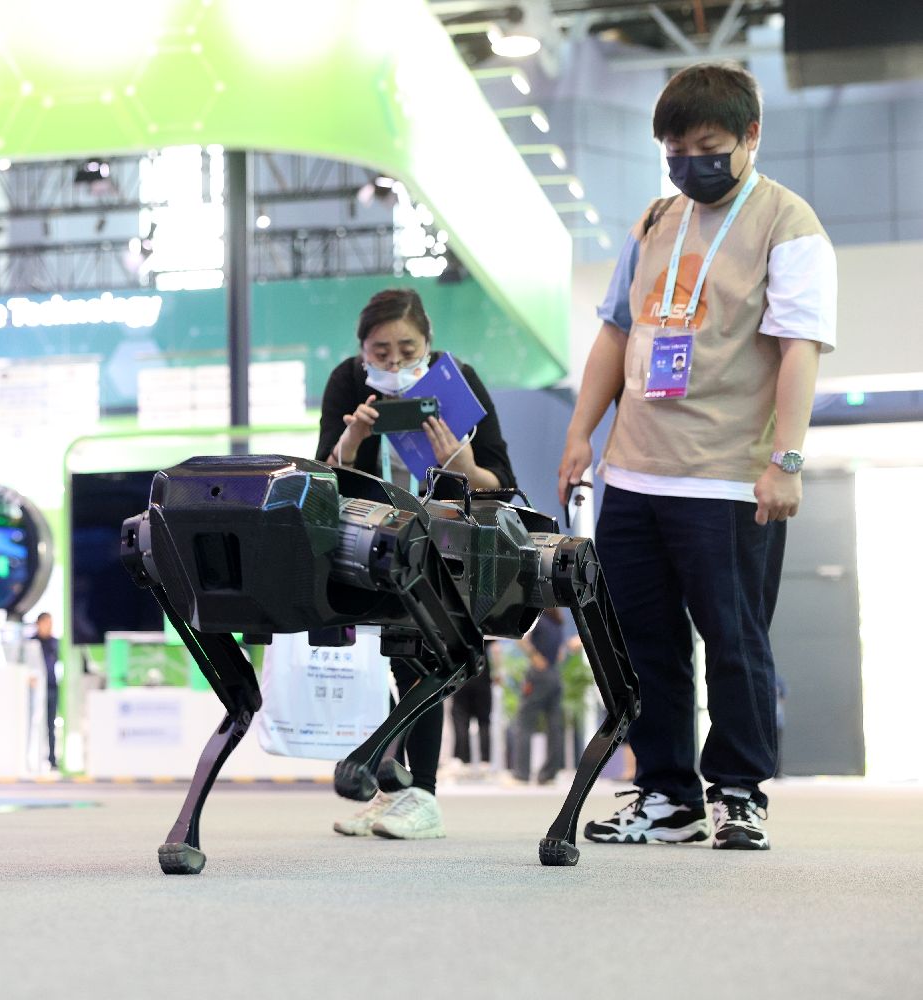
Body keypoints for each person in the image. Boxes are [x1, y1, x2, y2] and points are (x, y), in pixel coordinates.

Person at [558, 64, 835, 851]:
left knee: (735, 642)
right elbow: (615, 331)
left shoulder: (789, 223)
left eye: (707, 147)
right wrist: (581, 433)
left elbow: (800, 348)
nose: (690, 164)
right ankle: (665, 795)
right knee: (641, 642)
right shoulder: (655, 220)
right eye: (675, 151)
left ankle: (739, 792)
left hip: (727, 478)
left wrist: (786, 460)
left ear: (751, 135)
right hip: (635, 471)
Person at [319, 287, 516, 839]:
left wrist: (462, 464)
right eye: (380, 352)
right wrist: (352, 440)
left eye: (407, 349)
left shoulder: (458, 381)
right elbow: (324, 475)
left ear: (428, 343)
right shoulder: (347, 382)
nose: (394, 362)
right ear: (362, 351)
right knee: (378, 669)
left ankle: (422, 795)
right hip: (366, 542)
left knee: (419, 660)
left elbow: (501, 483)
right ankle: (395, 792)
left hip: (439, 543)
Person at [510, 607, 569, 785]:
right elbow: (560, 654)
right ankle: (548, 775)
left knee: (525, 723)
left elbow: (520, 639)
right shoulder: (557, 622)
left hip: (538, 675)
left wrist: (534, 656)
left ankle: (521, 774)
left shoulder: (537, 619)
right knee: (555, 726)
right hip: (555, 675)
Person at [32, 611, 61, 769]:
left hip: (51, 687)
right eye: (46, 623)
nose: (49, 626)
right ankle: (34, 758)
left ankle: (52, 758)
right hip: (34, 690)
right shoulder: (31, 643)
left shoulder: (55, 643)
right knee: (35, 723)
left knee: (51, 724)